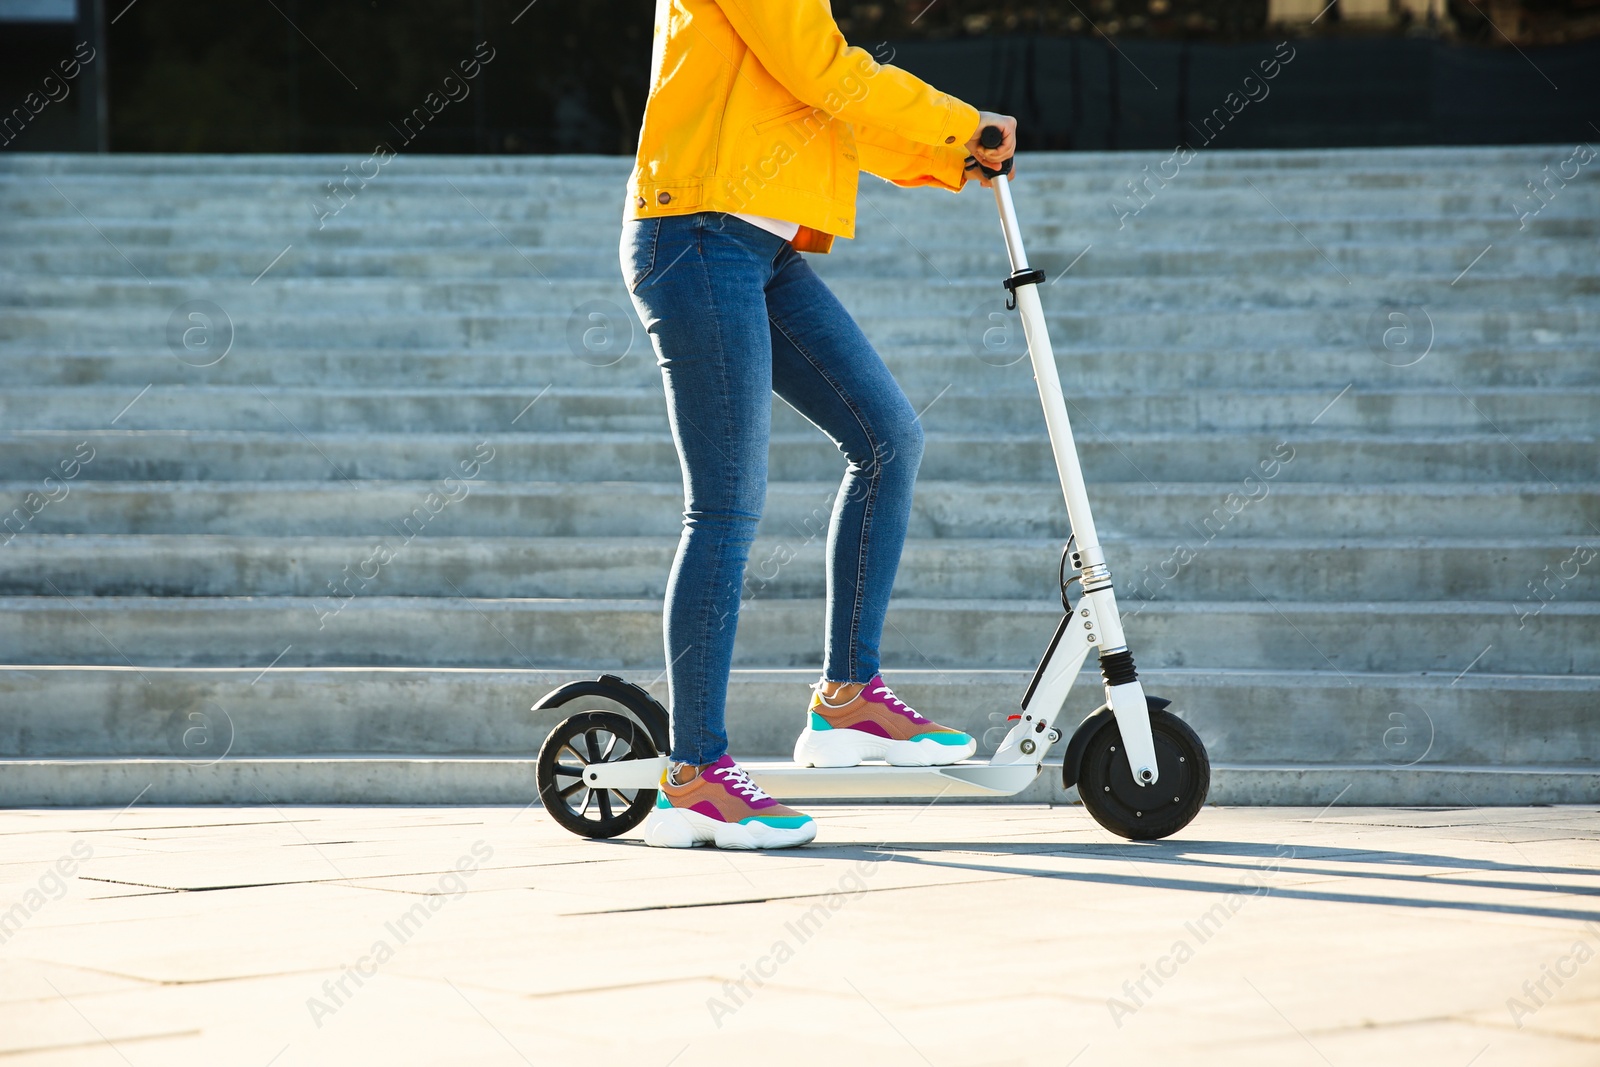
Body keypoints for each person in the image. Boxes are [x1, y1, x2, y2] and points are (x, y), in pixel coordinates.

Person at [619, 0, 1017, 849]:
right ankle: (694, 777)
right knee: (725, 507)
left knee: (887, 438)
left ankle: (849, 698)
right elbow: (826, 70)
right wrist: (958, 124)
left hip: (756, 245)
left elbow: (823, 103)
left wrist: (952, 153)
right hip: (694, 237)